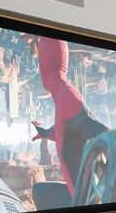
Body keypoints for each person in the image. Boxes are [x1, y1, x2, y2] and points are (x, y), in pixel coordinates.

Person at [30, 36, 108, 197]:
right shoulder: (62, 97)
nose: (40, 68)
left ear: (48, 63)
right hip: (81, 197)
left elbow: (103, 134)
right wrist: (46, 133)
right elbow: (69, 130)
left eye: (42, 60)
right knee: (39, 193)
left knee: (39, 194)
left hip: (86, 201)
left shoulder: (66, 96)